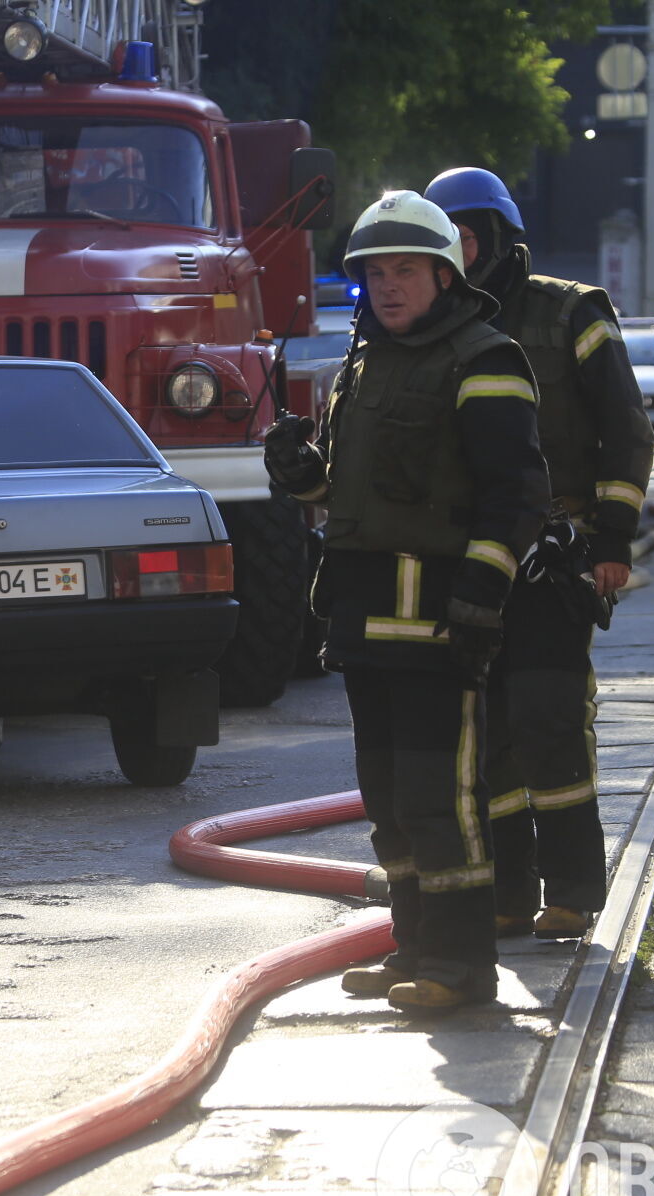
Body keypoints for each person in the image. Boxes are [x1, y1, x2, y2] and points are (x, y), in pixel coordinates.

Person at [263, 192, 549, 1013]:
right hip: (362, 620)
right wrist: (300, 473)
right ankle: (413, 947)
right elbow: (349, 496)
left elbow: (517, 497)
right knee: (388, 796)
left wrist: (481, 598)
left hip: (439, 623)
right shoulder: (365, 362)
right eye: (375, 273)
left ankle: (462, 967)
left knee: (443, 798)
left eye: (406, 271)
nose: (389, 287)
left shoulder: (485, 359)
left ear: (444, 273)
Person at [423, 168, 654, 942]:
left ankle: (574, 891)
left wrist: (613, 542)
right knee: (484, 734)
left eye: (464, 236)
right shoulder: (434, 327)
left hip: (562, 551)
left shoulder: (570, 312)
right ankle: (506, 895)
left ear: (496, 235)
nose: (454, 254)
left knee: (546, 715)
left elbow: (626, 428)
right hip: (471, 559)